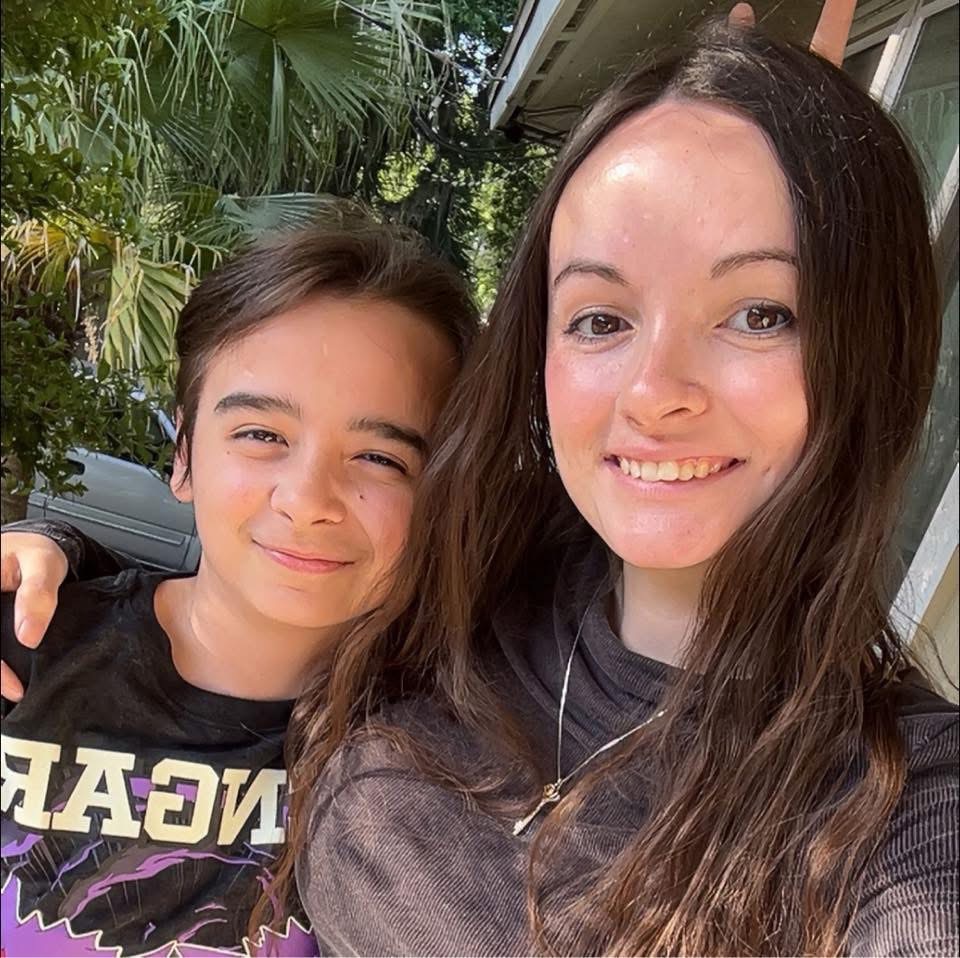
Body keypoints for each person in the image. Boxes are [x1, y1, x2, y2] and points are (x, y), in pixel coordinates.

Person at [281, 19, 956, 958]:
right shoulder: (464, 575)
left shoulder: (901, 808)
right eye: (601, 319)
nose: (653, 392)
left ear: (871, 349)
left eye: (760, 314)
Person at [0, 218, 477, 954]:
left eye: (380, 458)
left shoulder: (448, 758)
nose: (307, 499)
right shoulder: (27, 644)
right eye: (261, 435)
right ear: (184, 456)